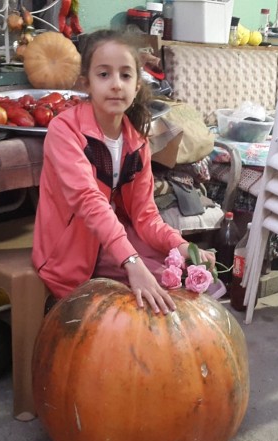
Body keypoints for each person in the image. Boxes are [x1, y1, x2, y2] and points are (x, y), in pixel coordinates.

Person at [32, 29, 215, 314]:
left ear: (137, 85)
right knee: (161, 287)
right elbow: (88, 201)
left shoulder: (136, 142)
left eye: (126, 75)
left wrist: (179, 245)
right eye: (104, 74)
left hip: (111, 238)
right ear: (86, 84)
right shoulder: (65, 131)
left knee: (179, 270)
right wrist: (132, 262)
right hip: (70, 250)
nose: (116, 84)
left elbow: (145, 216)